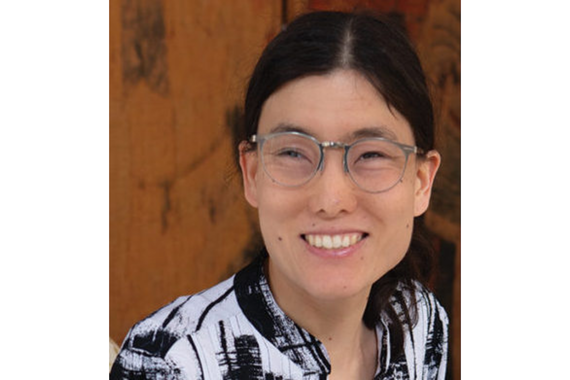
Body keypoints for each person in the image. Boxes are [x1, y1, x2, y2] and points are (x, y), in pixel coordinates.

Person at [110, 10, 448, 380]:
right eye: (293, 152)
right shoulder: (175, 360)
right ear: (252, 173)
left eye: (371, 154)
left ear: (421, 181)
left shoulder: (418, 323)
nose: (331, 199)